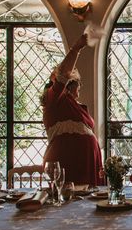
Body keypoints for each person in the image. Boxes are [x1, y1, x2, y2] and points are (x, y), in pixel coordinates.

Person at [41, 33, 103, 186]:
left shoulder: (75, 106)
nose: (80, 87)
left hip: (87, 162)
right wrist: (76, 49)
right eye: (78, 84)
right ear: (70, 85)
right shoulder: (54, 99)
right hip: (67, 161)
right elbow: (63, 73)